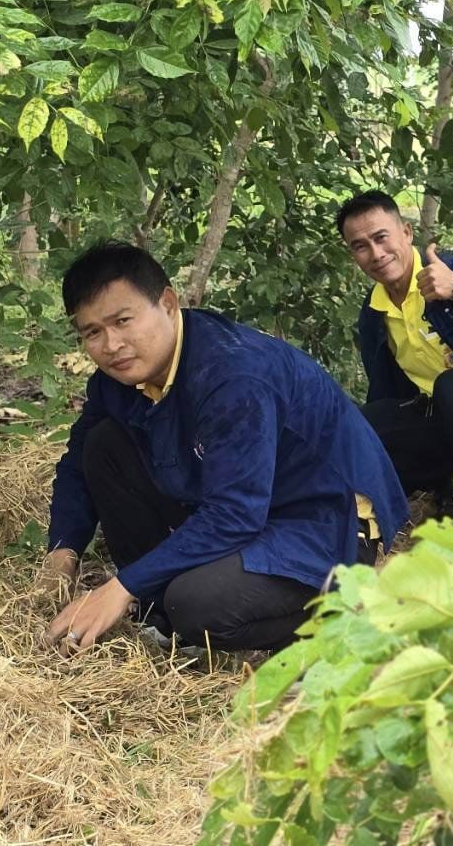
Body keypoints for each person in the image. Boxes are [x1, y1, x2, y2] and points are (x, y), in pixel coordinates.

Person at [39, 243, 408, 657]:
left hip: (325, 519)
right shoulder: (120, 378)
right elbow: (77, 462)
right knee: (103, 444)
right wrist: (63, 551)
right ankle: (162, 618)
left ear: (168, 303)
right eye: (92, 332)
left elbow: (236, 512)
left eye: (123, 321)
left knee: (196, 604)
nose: (111, 345)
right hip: (249, 503)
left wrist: (121, 587)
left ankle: (353, 611)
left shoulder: (234, 376)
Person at [338, 191, 453, 523]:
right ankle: (438, 490)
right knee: (366, 421)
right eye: (361, 246)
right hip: (444, 421)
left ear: (406, 233)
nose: (376, 254)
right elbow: (386, 392)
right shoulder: (373, 313)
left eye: (381, 238)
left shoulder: (449, 270)